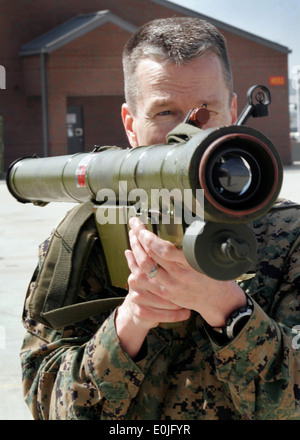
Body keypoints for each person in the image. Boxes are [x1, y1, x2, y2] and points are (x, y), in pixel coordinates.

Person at [20, 17, 300, 420]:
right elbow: (47, 403)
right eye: (166, 112)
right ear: (131, 125)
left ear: (234, 110)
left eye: (207, 111)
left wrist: (229, 310)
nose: (188, 133)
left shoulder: (289, 237)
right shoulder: (83, 242)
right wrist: (129, 324)